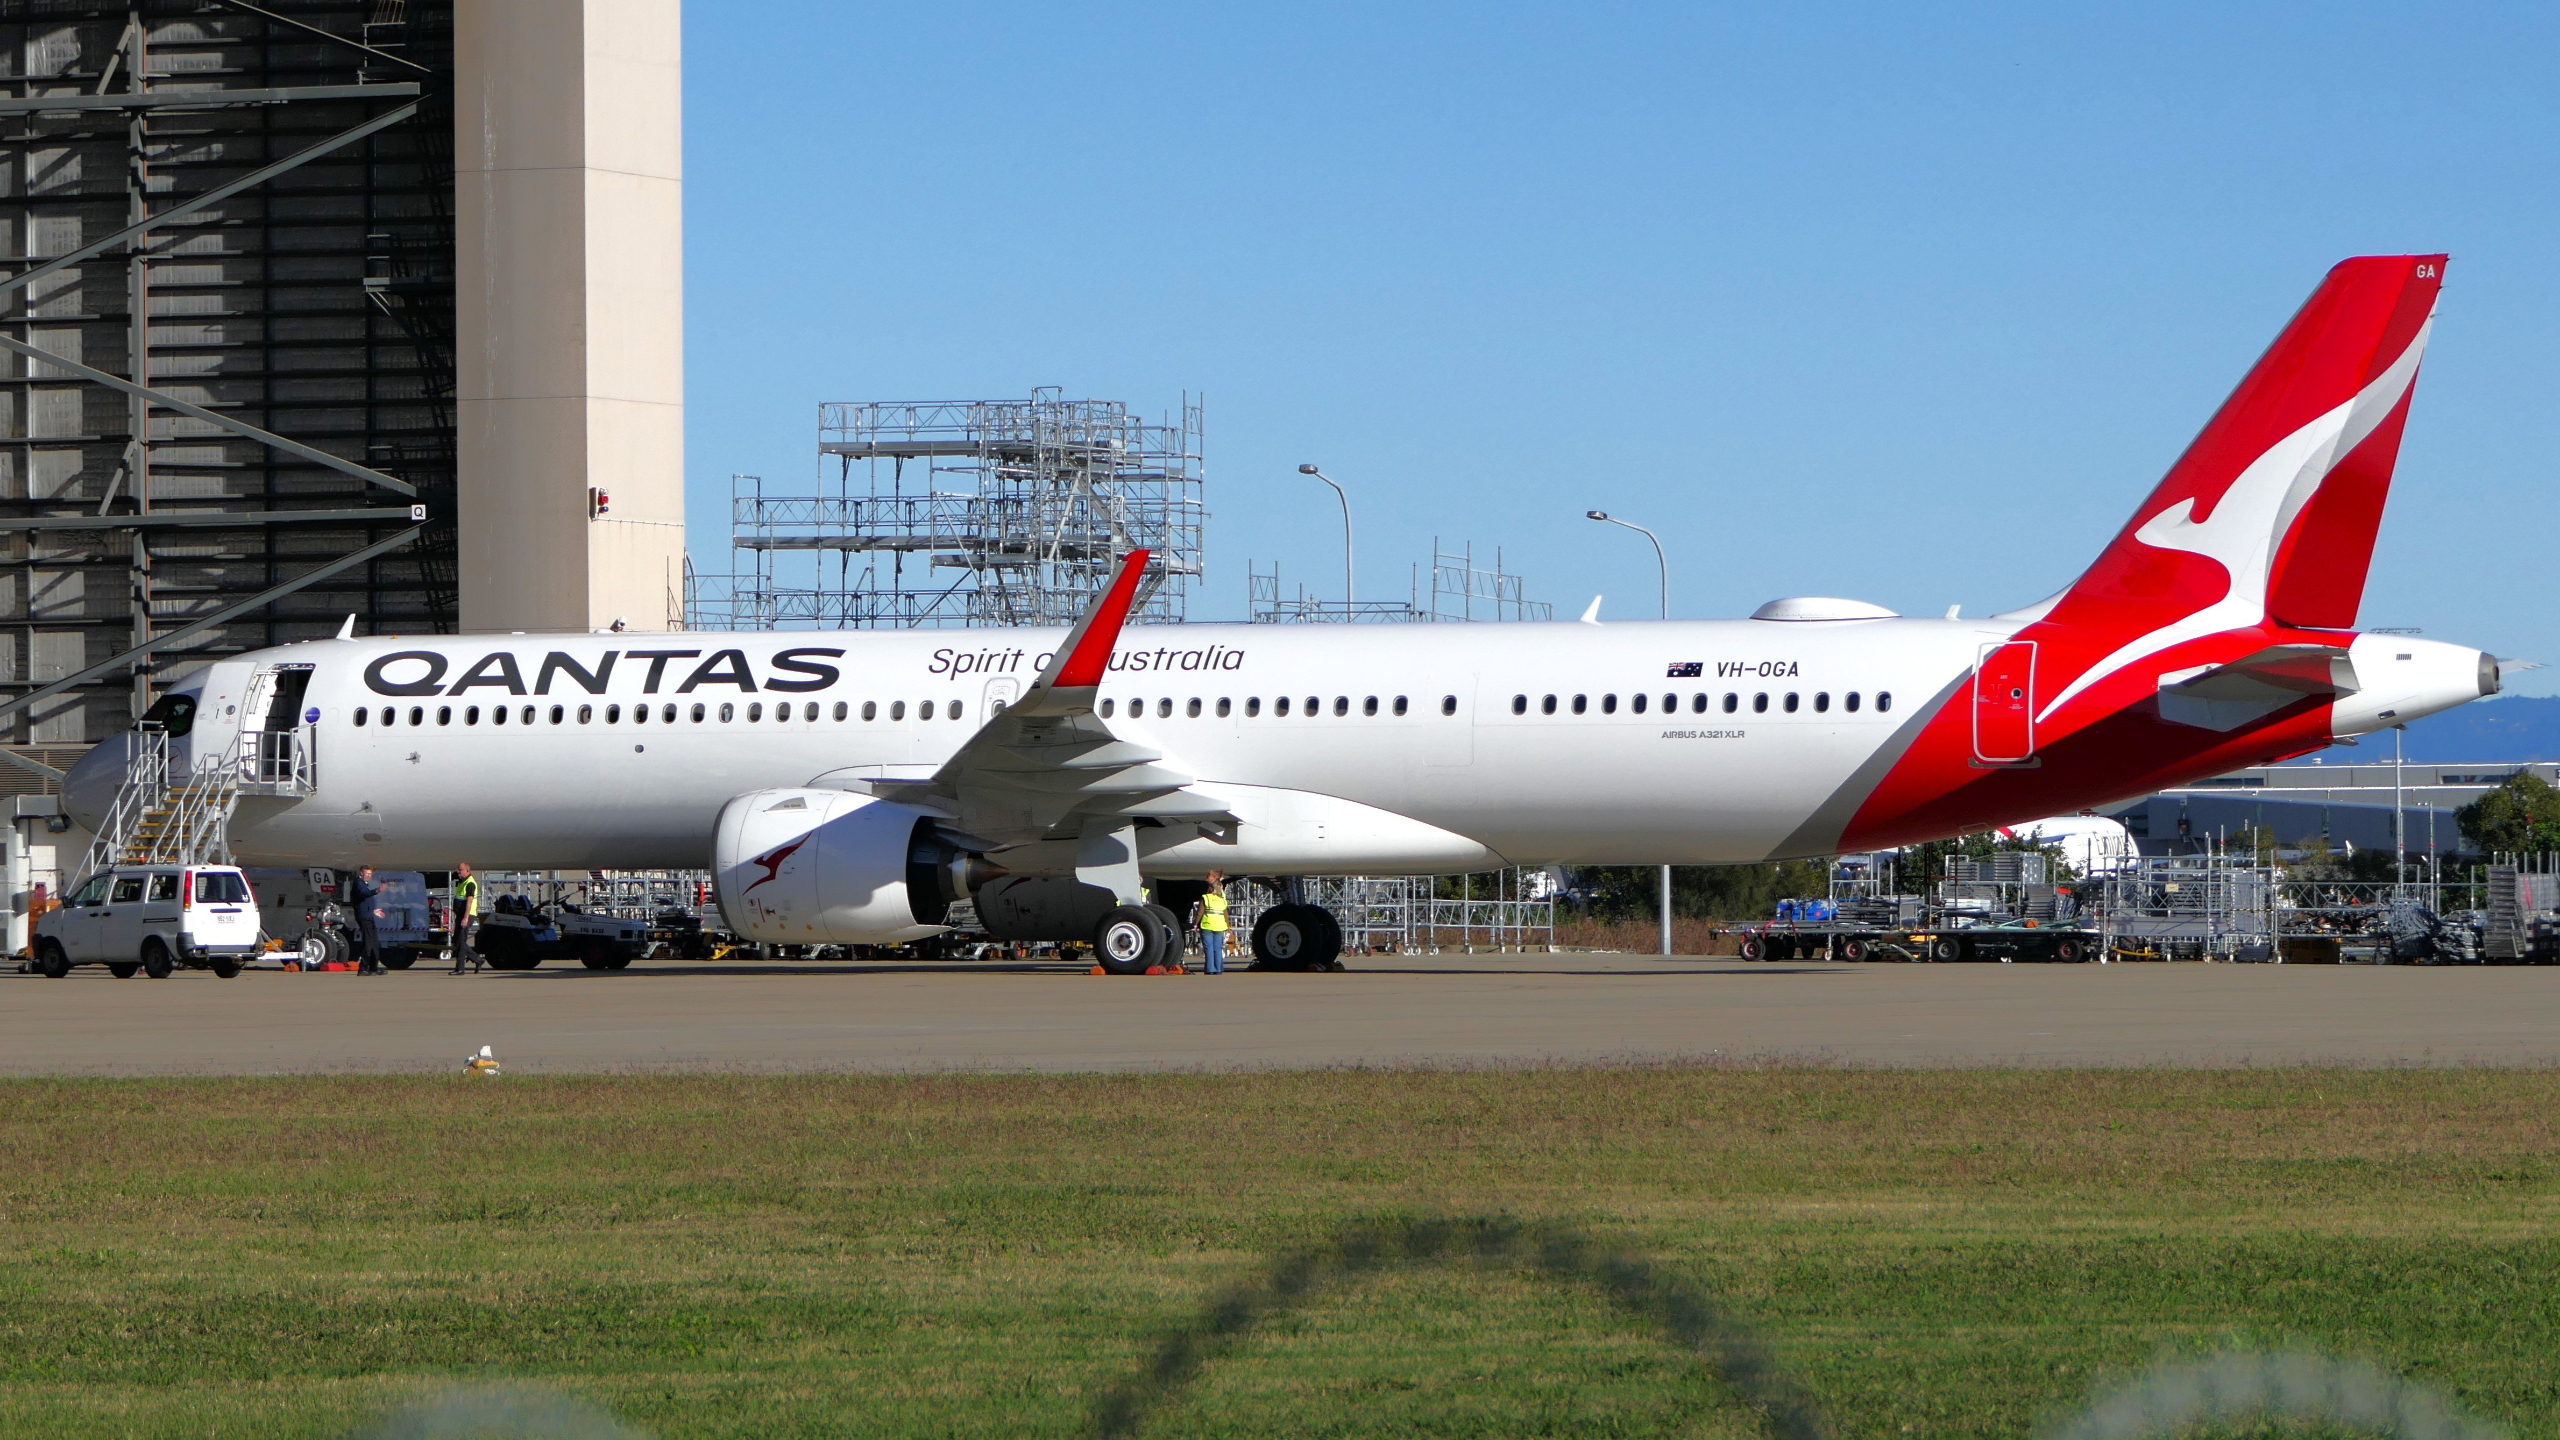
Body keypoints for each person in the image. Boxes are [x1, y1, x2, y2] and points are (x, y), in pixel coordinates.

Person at [348, 866, 386, 975]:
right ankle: (363, 968)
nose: (369, 875)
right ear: (362, 873)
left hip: (369, 916)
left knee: (374, 942)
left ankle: (373, 968)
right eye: (367, 873)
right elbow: (364, 894)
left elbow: (366, 901)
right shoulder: (358, 883)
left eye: (370, 874)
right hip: (364, 918)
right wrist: (378, 890)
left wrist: (373, 910)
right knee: (368, 943)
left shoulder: (364, 884)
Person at [1192, 870, 1230, 975]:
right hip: (1220, 926)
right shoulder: (1222, 899)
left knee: (1208, 948)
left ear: (1211, 889)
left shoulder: (1206, 898)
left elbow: (1200, 913)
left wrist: (1195, 924)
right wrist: (1228, 927)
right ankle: (1219, 969)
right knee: (1218, 948)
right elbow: (1226, 914)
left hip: (1207, 925)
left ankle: (1210, 969)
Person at [448, 862, 481, 974]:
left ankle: (460, 968)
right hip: (460, 915)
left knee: (461, 941)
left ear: (467, 870)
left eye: (461, 870)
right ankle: (478, 959)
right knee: (457, 940)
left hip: (467, 915)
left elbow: (469, 902)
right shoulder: (462, 882)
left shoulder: (470, 883)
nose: (458, 872)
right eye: (458, 869)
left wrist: (466, 917)